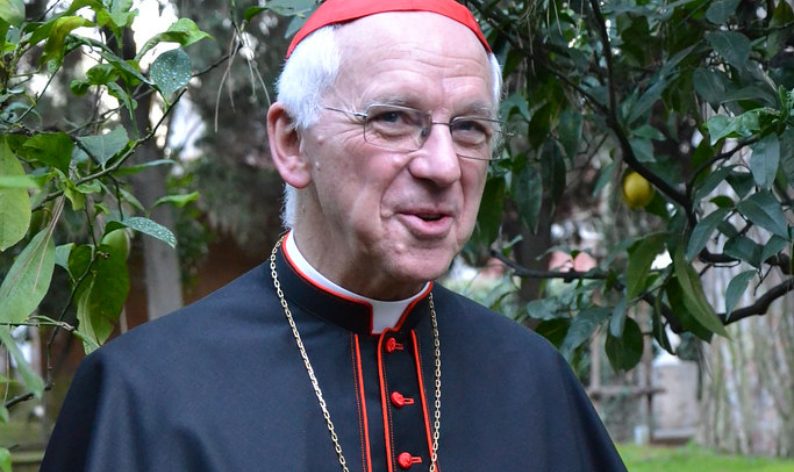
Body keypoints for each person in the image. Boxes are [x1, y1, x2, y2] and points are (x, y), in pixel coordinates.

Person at [42, 1, 627, 470]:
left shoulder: (535, 379)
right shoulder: (143, 393)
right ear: (293, 143)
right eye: (393, 118)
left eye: (469, 127)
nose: (444, 166)